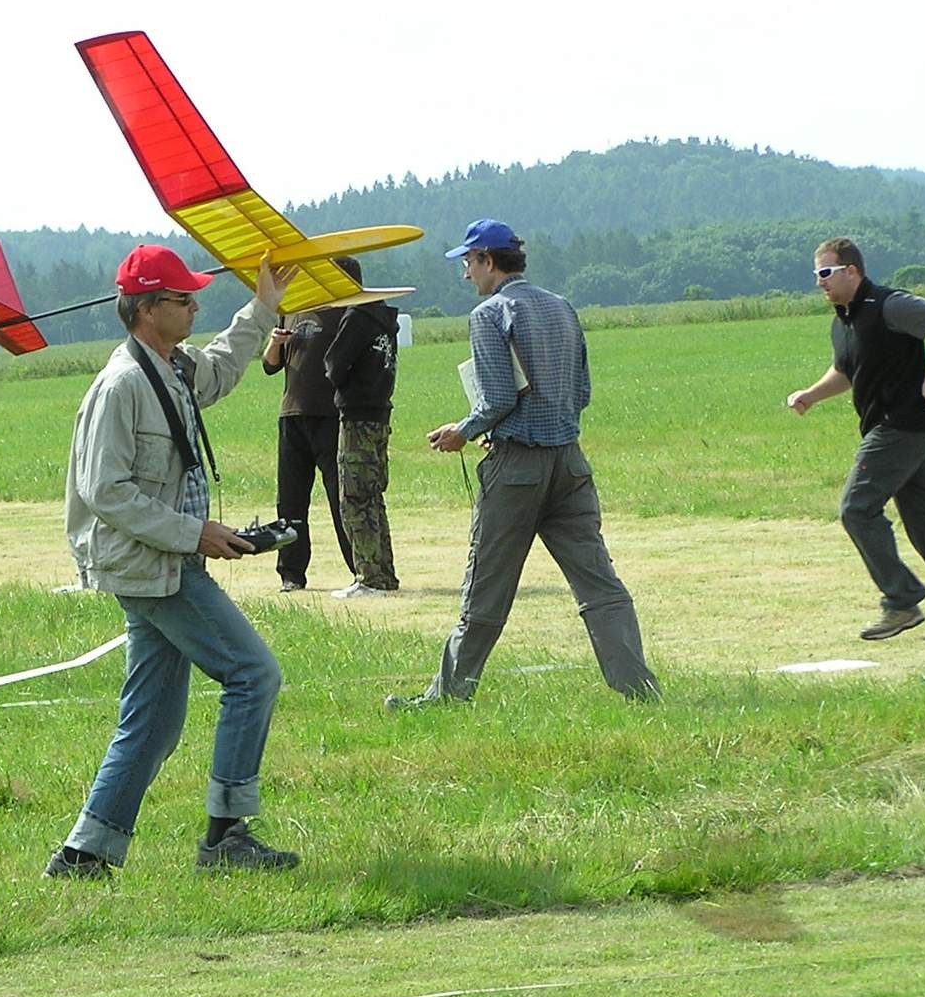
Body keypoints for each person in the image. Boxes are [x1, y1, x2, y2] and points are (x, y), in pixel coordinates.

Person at [48, 245, 301, 879]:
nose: (193, 307)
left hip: (165, 561)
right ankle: (226, 838)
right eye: (181, 299)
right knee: (254, 675)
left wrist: (262, 306)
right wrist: (195, 534)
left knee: (154, 720)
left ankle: (83, 854)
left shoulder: (171, 367)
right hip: (153, 567)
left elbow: (220, 368)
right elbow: (104, 490)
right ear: (145, 309)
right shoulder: (122, 385)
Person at [390, 220, 658, 708]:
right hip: (570, 465)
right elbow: (582, 392)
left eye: (469, 263)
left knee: (485, 590)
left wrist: (462, 431)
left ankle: (448, 696)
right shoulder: (562, 306)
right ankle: (639, 689)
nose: (466, 274)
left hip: (515, 469)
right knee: (600, 585)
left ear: (489, 261)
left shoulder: (489, 315)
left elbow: (495, 400)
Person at [786, 237, 925, 639]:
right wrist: (811, 395)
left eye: (825, 272)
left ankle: (901, 601)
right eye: (816, 274)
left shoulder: (888, 305)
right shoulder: (844, 322)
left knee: (857, 509)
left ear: (852, 271)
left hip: (900, 426)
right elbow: (845, 371)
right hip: (902, 429)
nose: (819, 281)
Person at [258, 296, 351, 592]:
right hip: (291, 415)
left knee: (341, 497)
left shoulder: (343, 308)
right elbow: (269, 365)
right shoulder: (290, 309)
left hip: (330, 415)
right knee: (290, 501)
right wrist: (275, 342)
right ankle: (291, 573)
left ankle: (359, 568)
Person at [323, 254, 401, 598]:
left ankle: (369, 578)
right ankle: (383, 574)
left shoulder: (356, 316)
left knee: (354, 498)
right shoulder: (382, 315)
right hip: (380, 414)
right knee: (373, 498)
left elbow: (334, 366)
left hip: (356, 418)